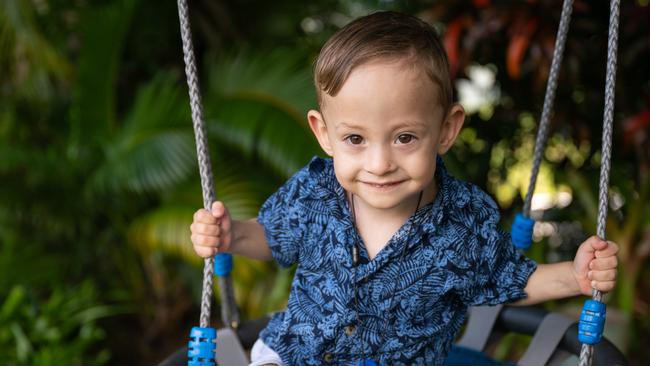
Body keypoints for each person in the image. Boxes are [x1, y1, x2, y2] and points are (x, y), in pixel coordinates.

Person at [190, 11, 619, 366]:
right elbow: (271, 236)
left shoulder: (461, 222)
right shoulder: (314, 193)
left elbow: (510, 279)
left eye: (405, 138)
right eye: (355, 139)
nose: (379, 164)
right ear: (324, 134)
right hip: (293, 355)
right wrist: (231, 236)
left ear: (446, 130)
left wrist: (575, 276)